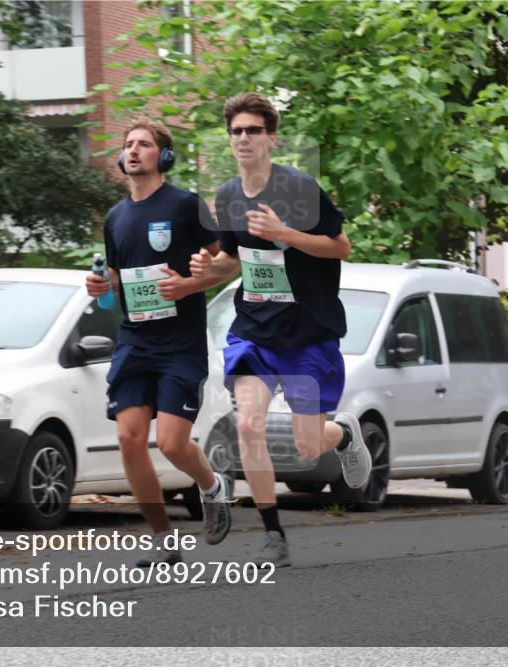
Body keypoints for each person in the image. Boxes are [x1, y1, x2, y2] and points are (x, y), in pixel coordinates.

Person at [190, 93, 372, 567]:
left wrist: (284, 234)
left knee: (309, 448)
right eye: (236, 132)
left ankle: (344, 434)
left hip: (308, 332)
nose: (244, 139)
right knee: (248, 424)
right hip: (255, 329)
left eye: (253, 130)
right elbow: (232, 259)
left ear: (272, 137)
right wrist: (203, 270)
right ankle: (273, 535)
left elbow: (341, 247)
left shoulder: (300, 188)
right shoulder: (228, 196)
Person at [85, 118, 231, 565]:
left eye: (144, 145)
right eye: (128, 145)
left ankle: (211, 484)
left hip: (180, 343)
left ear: (163, 156)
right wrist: (99, 286)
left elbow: (228, 259)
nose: (133, 151)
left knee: (170, 443)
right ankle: (164, 540)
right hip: (134, 340)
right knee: (130, 438)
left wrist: (190, 284)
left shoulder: (186, 205)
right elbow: (116, 275)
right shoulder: (116, 216)